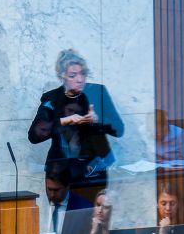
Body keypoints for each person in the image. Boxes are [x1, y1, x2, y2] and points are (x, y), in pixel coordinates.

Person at [27, 49, 124, 186]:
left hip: (94, 170)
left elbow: (119, 130)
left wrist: (98, 120)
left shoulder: (98, 92)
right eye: (73, 75)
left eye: (83, 73)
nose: (80, 79)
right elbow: (34, 136)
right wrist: (65, 120)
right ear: (61, 77)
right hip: (60, 172)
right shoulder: (52, 98)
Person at [39, 164, 93, 234]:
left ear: (67, 186)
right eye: (49, 189)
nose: (52, 194)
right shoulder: (38, 204)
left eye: (56, 190)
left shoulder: (84, 209)